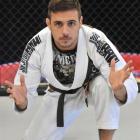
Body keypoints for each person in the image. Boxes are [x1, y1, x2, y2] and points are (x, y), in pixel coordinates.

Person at [5, 0, 138, 140]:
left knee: (104, 84)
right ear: (48, 24)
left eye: (71, 23)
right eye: (58, 24)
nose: (65, 32)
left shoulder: (95, 39)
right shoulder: (35, 45)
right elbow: (25, 92)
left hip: (91, 87)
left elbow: (126, 83)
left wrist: (118, 89)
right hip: (59, 93)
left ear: (80, 22)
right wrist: (22, 102)